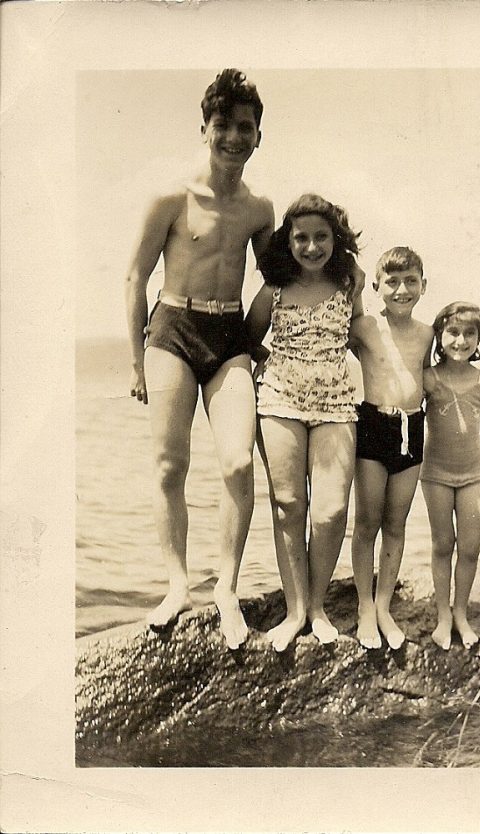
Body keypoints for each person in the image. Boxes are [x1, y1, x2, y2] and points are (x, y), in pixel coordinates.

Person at [124, 69, 275, 647]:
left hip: (229, 332)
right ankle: (176, 585)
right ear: (204, 128)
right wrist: (134, 362)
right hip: (172, 329)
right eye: (223, 126)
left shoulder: (259, 209)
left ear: (258, 135)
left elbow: (283, 276)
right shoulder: (170, 197)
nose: (233, 137)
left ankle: (228, 590)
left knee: (238, 463)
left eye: (245, 127)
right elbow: (136, 276)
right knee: (170, 466)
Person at [245, 194, 363, 652]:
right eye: (301, 238)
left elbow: (361, 332)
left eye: (321, 237)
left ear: (336, 239)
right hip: (279, 399)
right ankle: (296, 611)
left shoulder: (352, 281)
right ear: (287, 240)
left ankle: (318, 606)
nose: (311, 247)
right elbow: (248, 337)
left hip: (336, 400)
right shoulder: (273, 288)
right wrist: (279, 366)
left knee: (331, 510)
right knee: (289, 504)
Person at [348, 247, 434, 649]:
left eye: (411, 281)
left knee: (396, 524)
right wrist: (359, 283)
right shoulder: (364, 326)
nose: (402, 290)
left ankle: (384, 606)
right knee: (366, 522)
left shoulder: (428, 333)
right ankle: (364, 605)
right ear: (380, 286)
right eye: (393, 282)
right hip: (373, 424)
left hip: (412, 427)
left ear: (423, 285)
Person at [420, 302, 480, 650]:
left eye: (469, 334)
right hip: (435, 473)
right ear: (439, 336)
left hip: (472, 475)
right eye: (452, 332)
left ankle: (461, 612)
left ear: (479, 339)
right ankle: (442, 617)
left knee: (470, 547)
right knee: (441, 544)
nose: (461, 341)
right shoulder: (429, 379)